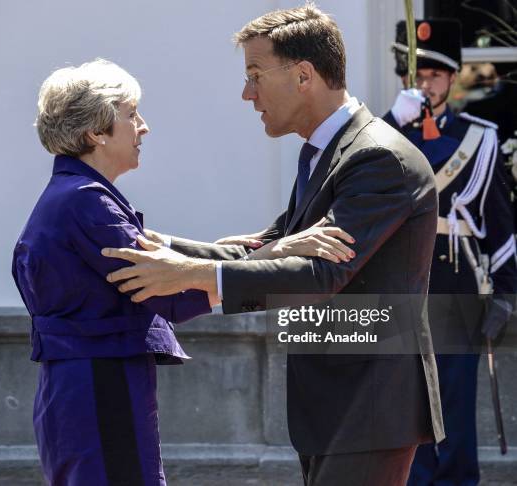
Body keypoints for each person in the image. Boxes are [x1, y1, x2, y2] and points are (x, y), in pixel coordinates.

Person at [101, 5, 445, 485]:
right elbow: (272, 247)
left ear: (304, 75)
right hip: (335, 402)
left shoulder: (378, 157)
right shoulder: (327, 151)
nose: (247, 93)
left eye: (255, 75)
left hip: (371, 403)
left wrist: (187, 273)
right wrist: (168, 248)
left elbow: (321, 274)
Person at [11, 58, 350, 486]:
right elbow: (167, 289)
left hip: (85, 383)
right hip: (100, 385)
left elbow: (165, 262)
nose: (144, 127)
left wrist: (257, 250)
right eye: (131, 115)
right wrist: (278, 254)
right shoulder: (84, 200)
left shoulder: (74, 195)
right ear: (95, 132)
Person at [385, 19, 517, 485]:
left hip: (457, 287)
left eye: (435, 75)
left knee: (455, 413)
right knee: (407, 411)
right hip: (401, 290)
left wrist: (505, 292)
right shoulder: (381, 136)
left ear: (452, 77)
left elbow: (500, 222)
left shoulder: (480, 138)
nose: (425, 84)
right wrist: (389, 124)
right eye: (417, 74)